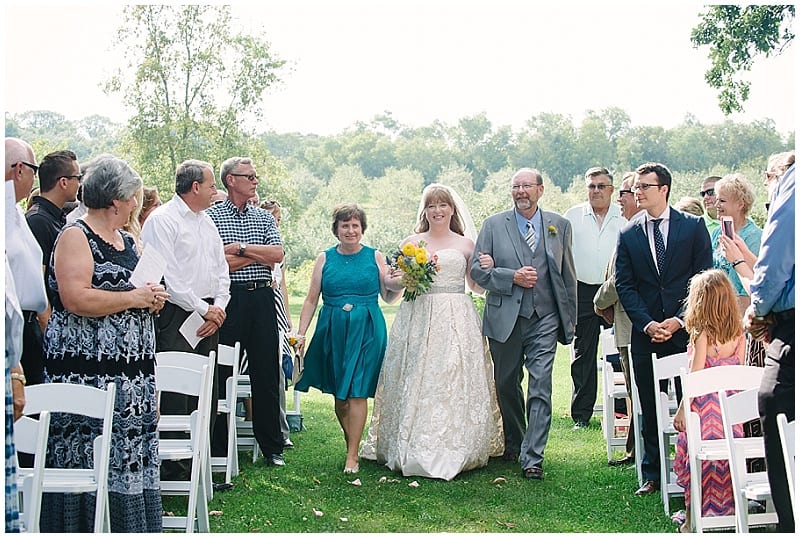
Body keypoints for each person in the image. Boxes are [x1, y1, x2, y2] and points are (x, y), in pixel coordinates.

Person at [40, 155, 168, 532]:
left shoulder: (128, 240)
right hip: (89, 369)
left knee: (126, 453)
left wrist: (152, 297)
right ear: (116, 200)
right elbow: (75, 297)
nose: (136, 203)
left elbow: (135, 290)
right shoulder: (75, 235)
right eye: (132, 197)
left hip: (130, 372)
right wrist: (133, 298)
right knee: (88, 450)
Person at [361, 184, 504, 480]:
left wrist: (488, 266)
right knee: (417, 374)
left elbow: (476, 287)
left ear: (452, 209)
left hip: (456, 316)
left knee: (451, 375)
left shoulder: (465, 244)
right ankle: (410, 443)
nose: (437, 211)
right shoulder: (412, 242)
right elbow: (394, 287)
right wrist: (404, 276)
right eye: (431, 206)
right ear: (425, 211)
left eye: (443, 205)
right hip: (418, 314)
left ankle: (456, 446)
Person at [470, 167, 577, 481]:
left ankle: (533, 457)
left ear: (540, 190)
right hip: (505, 318)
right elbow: (477, 271)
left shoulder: (559, 225)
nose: (520, 192)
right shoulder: (492, 225)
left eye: (526, 186)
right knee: (506, 383)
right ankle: (515, 441)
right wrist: (509, 276)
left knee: (541, 386)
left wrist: (567, 322)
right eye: (515, 186)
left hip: (544, 317)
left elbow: (568, 276)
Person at [615, 162, 712, 496]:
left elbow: (703, 279)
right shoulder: (628, 232)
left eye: (644, 187)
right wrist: (647, 323)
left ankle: (693, 467)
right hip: (647, 333)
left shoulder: (694, 227)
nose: (636, 192)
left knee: (690, 401)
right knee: (649, 404)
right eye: (636, 187)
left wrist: (680, 319)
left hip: (686, 331)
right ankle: (653, 473)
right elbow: (624, 285)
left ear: (663, 189)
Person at [140, 159, 230, 486]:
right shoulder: (163, 220)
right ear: (195, 187)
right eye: (210, 185)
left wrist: (218, 307)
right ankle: (172, 468)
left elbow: (222, 270)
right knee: (176, 392)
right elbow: (169, 277)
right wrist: (201, 309)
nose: (214, 191)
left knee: (207, 390)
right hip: (176, 313)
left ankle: (200, 467)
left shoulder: (207, 222)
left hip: (209, 313)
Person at [295, 203, 400, 473]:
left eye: (355, 225)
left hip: (367, 326)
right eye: (345, 226)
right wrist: (301, 333)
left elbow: (389, 295)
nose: (350, 230)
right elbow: (310, 299)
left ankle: (352, 455)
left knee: (357, 391)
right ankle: (351, 439)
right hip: (332, 326)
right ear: (337, 229)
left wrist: (403, 280)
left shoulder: (375, 256)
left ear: (362, 229)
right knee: (340, 397)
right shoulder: (324, 258)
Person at [207, 157, 286, 467]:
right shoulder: (211, 218)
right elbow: (217, 264)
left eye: (255, 176)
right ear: (231, 180)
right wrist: (257, 254)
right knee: (222, 372)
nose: (255, 181)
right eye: (249, 176)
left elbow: (276, 255)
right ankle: (218, 446)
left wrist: (239, 248)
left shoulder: (264, 218)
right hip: (229, 300)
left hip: (262, 298)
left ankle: (271, 446)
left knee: (265, 372)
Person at [672, 269, 746, 532]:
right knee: (729, 463)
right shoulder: (739, 334)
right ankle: (728, 510)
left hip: (705, 414)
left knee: (696, 461)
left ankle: (692, 520)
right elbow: (740, 372)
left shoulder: (703, 334)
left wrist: (682, 410)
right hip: (732, 415)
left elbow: (696, 378)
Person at [745, 163, 794, 533]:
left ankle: (790, 523)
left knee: (777, 403)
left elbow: (776, 260)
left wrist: (757, 309)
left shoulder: (792, 185)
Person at [5, 137, 48, 533]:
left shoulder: (17, 213)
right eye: (32, 170)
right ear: (18, 170)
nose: (34, 179)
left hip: (30, 326)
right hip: (12, 335)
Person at [564, 166, 624, 430]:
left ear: (611, 189)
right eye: (592, 186)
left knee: (620, 349)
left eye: (601, 186)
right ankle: (581, 414)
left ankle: (622, 410)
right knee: (582, 353)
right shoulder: (573, 216)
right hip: (582, 290)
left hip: (616, 290)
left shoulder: (624, 215)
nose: (596, 191)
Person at [594, 172, 642, 466]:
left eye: (624, 193)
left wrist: (598, 300)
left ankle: (637, 451)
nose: (620, 199)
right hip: (624, 322)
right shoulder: (629, 228)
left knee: (637, 391)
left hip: (631, 323)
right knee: (633, 389)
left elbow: (620, 280)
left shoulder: (635, 232)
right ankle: (634, 448)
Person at [23, 150, 81, 386]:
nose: (80, 184)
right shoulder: (38, 221)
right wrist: (50, 330)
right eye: (78, 178)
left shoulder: (58, 218)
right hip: (41, 331)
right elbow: (37, 280)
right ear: (63, 182)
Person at [260, 199, 294, 449]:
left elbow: (282, 282)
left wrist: (288, 316)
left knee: (280, 366)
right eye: (273, 220)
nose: (276, 224)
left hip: (277, 306)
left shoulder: (278, 248)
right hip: (260, 301)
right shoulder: (258, 244)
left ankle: (281, 428)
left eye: (278, 221)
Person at [710, 174, 761, 316]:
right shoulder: (716, 233)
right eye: (717, 200)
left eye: (722, 201)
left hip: (738, 315)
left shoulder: (754, 236)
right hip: (716, 310)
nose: (716, 205)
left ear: (740, 204)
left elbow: (751, 284)